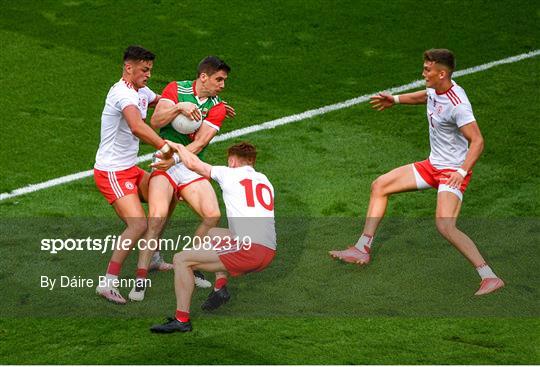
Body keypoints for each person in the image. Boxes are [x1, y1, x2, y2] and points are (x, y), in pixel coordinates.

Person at [329, 49, 504, 296]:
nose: (423, 73)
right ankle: (362, 248)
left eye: (427, 70)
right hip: (432, 166)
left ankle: (489, 276)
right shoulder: (436, 89)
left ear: (441, 73)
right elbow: (425, 97)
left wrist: (462, 172)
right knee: (380, 185)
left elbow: (478, 141)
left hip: (451, 172)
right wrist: (396, 100)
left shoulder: (458, 105)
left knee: (445, 226)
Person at [128, 56, 235, 302]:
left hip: (187, 164)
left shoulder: (217, 107)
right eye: (219, 79)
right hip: (165, 156)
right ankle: (140, 277)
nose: (222, 85)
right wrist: (178, 108)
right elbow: (155, 122)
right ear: (203, 77)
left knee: (212, 215)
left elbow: (199, 143)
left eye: (224, 81)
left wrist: (176, 160)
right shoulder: (176, 89)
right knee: (156, 219)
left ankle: (190, 261)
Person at [150, 141, 276, 333]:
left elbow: (193, 165)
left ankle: (181, 320)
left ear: (232, 161)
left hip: (249, 250)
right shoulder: (265, 180)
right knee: (213, 233)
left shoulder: (229, 173)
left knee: (181, 260)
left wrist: (178, 147)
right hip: (268, 249)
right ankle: (220, 289)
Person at [93, 45, 176, 304]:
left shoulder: (141, 91)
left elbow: (162, 102)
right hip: (112, 173)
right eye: (144, 69)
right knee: (138, 224)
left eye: (150, 70)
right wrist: (164, 146)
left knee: (168, 194)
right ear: (128, 68)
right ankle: (107, 282)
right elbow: (137, 126)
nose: (148, 74)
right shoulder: (121, 94)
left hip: (130, 169)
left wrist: (188, 107)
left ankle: (152, 257)